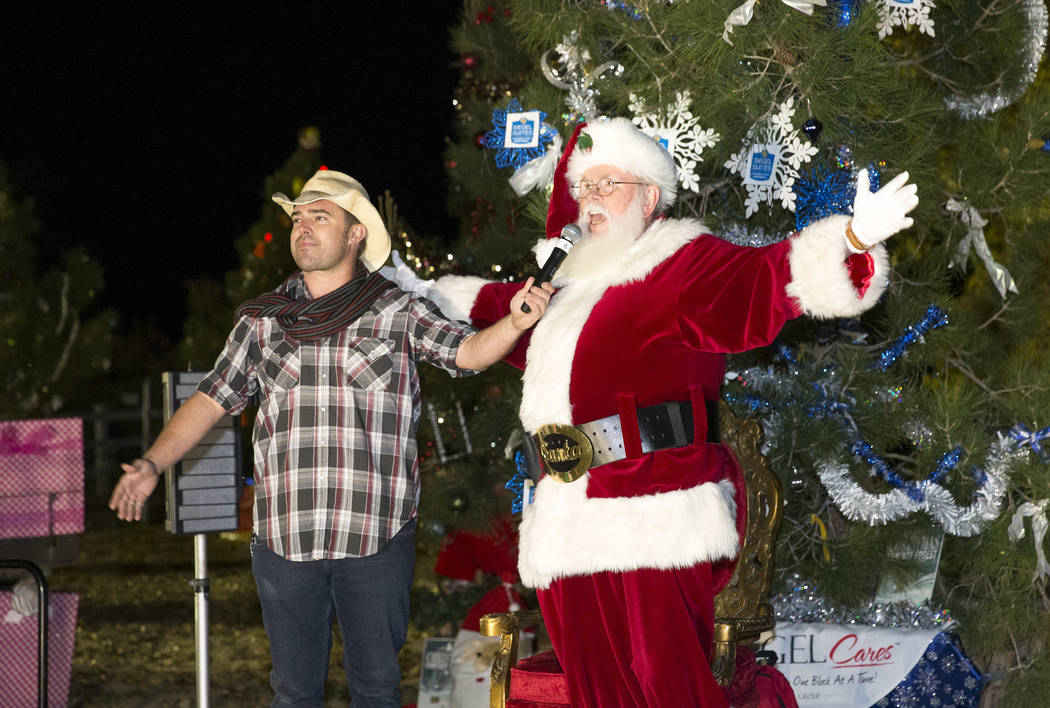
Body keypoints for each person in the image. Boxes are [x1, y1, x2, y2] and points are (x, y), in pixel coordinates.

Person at [396, 118, 918, 706]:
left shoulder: (682, 263)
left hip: (653, 516)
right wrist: (407, 292)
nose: (590, 199)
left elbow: (763, 281)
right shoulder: (563, 287)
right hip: (565, 523)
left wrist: (851, 241)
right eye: (584, 187)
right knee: (595, 691)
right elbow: (485, 307)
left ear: (649, 196)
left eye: (608, 184)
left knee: (667, 688)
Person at [108, 169, 554, 707]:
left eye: (320, 217)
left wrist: (514, 323)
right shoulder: (262, 321)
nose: (303, 227)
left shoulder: (397, 310)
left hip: (376, 535)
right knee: (293, 692)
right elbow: (210, 399)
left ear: (355, 233)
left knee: (376, 690)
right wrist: (152, 463)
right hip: (284, 538)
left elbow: (467, 353)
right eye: (298, 218)